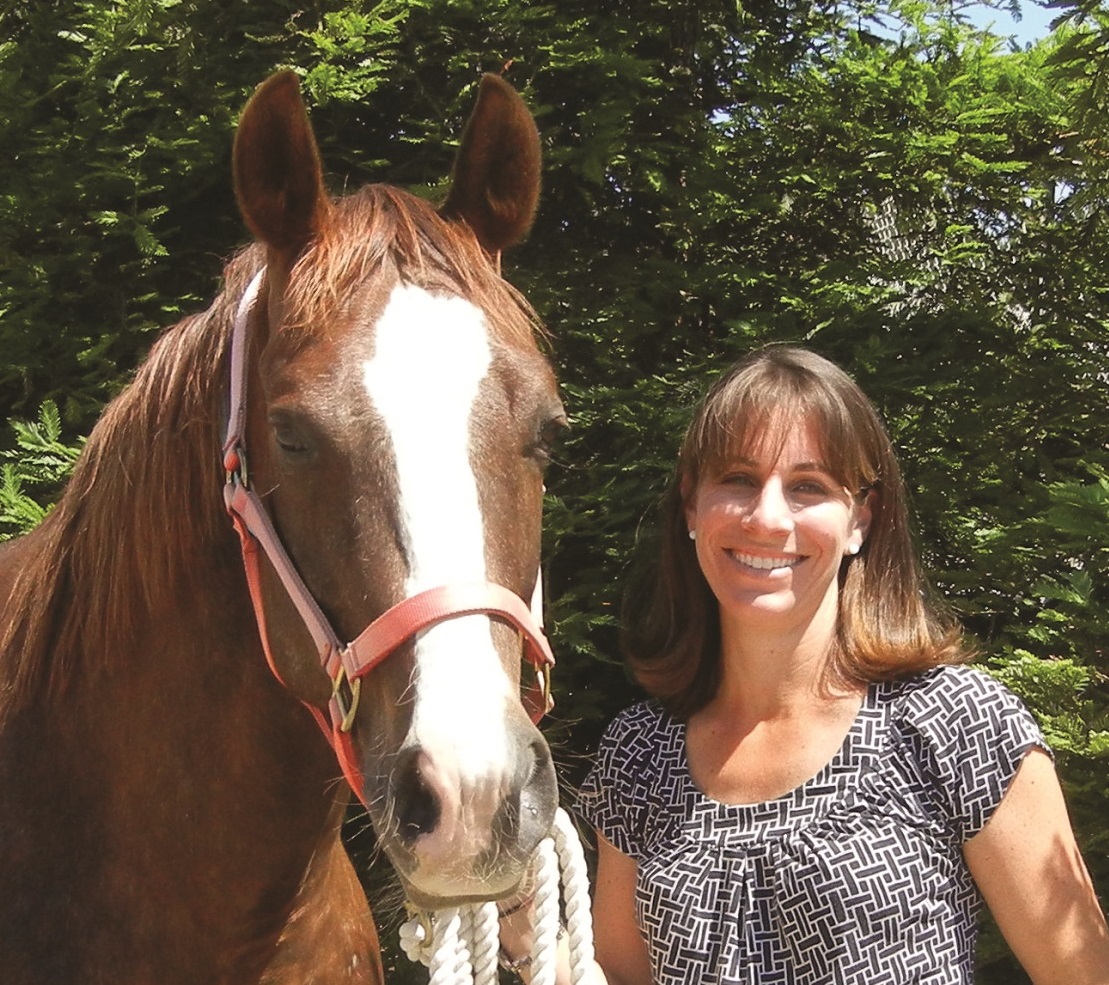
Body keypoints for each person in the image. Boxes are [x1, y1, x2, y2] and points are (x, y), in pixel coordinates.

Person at [499, 345, 1109, 984]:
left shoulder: (956, 722)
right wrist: (512, 911)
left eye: (807, 487)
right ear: (691, 507)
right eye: (737, 479)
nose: (767, 517)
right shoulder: (639, 755)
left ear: (860, 521)